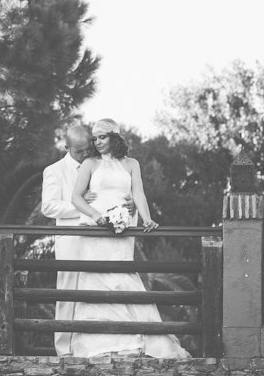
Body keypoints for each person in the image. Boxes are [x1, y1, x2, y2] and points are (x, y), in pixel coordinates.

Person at [68, 119, 189, 359]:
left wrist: (147, 218)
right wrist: (96, 216)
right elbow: (76, 197)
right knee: (97, 279)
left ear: (115, 137)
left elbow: (138, 193)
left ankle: (131, 339)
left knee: (122, 277)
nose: (98, 142)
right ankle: (100, 342)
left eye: (103, 137)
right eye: (95, 138)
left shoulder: (132, 164)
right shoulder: (89, 164)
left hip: (123, 229)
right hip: (96, 230)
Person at [41, 124, 134, 356]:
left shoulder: (99, 164)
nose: (85, 154)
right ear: (67, 147)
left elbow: (112, 192)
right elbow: (49, 207)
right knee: (68, 294)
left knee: (95, 293)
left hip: (99, 241)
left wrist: (128, 206)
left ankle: (91, 346)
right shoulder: (54, 170)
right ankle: (64, 351)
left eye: (87, 149)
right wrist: (82, 206)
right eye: (80, 151)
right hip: (72, 242)